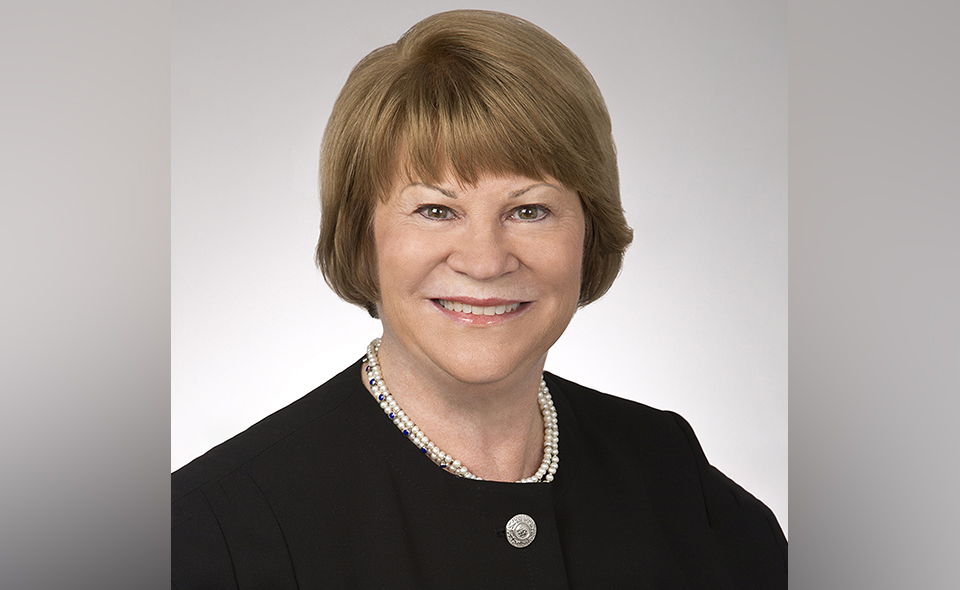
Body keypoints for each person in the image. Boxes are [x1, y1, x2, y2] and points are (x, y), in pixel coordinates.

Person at [172, 9, 786, 588]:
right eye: (436, 210)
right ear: (362, 237)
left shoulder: (670, 474)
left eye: (529, 210)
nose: (486, 260)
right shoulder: (209, 532)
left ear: (588, 231)